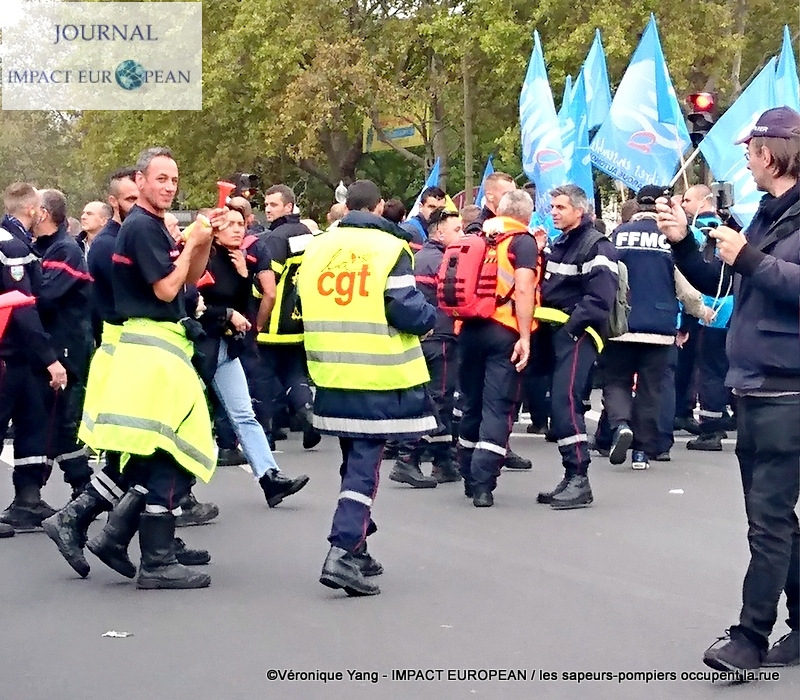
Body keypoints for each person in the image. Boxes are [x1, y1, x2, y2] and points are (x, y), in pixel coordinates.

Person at [656, 106, 800, 671]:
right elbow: (724, 278)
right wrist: (683, 243)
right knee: (775, 519)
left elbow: (771, 274)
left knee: (767, 521)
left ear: (770, 153)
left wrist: (751, 257)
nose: (743, 157)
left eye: (749, 149)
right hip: (760, 388)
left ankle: (749, 639)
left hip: (787, 391)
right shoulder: (768, 214)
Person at [79, 146, 223, 590]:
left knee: (162, 453)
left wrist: (202, 242)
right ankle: (154, 558)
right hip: (152, 354)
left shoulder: (154, 226)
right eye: (161, 178)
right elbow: (165, 290)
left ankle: (121, 537)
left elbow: (191, 278)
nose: (169, 186)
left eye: (174, 180)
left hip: (163, 352)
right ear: (140, 182)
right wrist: (193, 245)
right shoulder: (141, 227)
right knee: (171, 451)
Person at [298, 180, 437, 596]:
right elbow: (405, 308)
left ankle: (357, 546)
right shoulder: (389, 249)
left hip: (330, 371)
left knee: (351, 459)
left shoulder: (317, 248)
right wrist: (432, 315)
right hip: (376, 374)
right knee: (365, 468)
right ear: (378, 207)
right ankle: (341, 551)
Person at [195, 204, 309, 506]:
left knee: (244, 413)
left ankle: (270, 478)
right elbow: (191, 304)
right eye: (229, 224)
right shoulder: (202, 257)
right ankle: (174, 491)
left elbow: (244, 304)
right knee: (188, 417)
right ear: (215, 229)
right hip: (198, 347)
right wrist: (227, 314)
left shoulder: (239, 259)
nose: (237, 229)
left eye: (241, 224)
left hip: (226, 348)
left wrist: (246, 276)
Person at [535, 184, 618, 509]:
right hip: (559, 333)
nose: (553, 211)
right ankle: (571, 477)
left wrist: (571, 328)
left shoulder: (596, 246)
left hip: (577, 333)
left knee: (565, 401)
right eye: (553, 206)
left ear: (579, 211)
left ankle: (579, 477)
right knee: (560, 402)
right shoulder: (564, 242)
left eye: (560, 207)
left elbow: (599, 298)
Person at [457, 190, 540, 507]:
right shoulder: (522, 241)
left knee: (471, 404)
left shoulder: (479, 235)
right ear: (527, 216)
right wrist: (525, 336)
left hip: (469, 328)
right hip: (503, 329)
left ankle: (467, 471)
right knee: (498, 406)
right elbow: (522, 287)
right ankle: (483, 483)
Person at [0, 183, 67, 533]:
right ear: (32, 210)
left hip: (21, 357)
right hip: (9, 354)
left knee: (33, 424)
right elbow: (22, 308)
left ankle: (28, 499)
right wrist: (50, 358)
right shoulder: (11, 246)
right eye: (40, 208)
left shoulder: (20, 243)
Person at [602, 185, 681, 471]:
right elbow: (682, 284)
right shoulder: (671, 238)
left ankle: (621, 424)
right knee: (651, 390)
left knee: (616, 380)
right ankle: (641, 453)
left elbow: (605, 276)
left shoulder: (617, 236)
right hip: (660, 326)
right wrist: (701, 311)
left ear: (636, 205)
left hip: (621, 325)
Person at [390, 207, 464, 488]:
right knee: (436, 399)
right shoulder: (441, 260)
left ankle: (443, 460)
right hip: (440, 338)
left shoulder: (420, 258)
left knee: (438, 400)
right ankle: (408, 458)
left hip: (427, 337)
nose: (461, 234)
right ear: (438, 232)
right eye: (456, 230)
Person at [31, 189, 94, 497]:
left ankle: (84, 486)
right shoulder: (39, 247)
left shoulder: (64, 250)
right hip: (48, 345)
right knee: (47, 418)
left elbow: (45, 296)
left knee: (62, 419)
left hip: (66, 346)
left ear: (42, 213)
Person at [255, 184, 320, 449]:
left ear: (289, 207)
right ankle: (309, 415)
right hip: (299, 319)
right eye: (267, 205)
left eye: (273, 205)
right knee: (295, 373)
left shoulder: (274, 239)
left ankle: (266, 435)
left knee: (264, 376)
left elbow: (266, 284)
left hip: (273, 321)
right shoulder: (306, 234)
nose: (268, 210)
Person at [681, 185, 736, 451]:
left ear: (704, 201)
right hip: (733, 305)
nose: (683, 204)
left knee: (710, 371)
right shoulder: (732, 230)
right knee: (729, 366)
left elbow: (688, 270)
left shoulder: (693, 232)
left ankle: (711, 430)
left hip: (710, 308)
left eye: (687, 199)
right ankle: (730, 415)